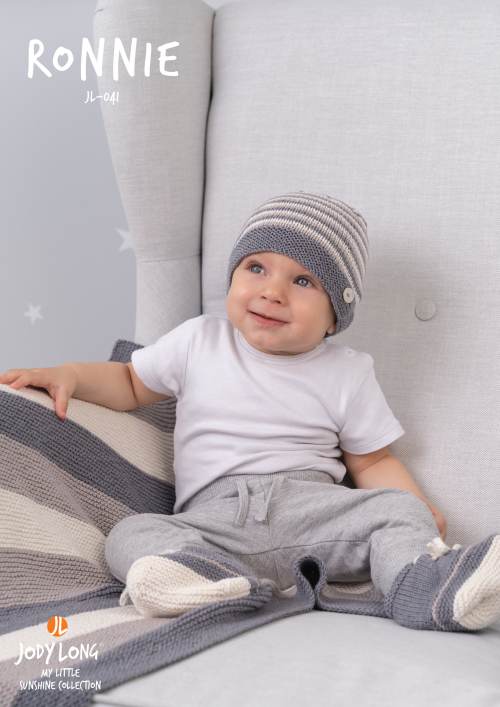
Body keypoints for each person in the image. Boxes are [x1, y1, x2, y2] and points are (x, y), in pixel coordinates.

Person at [1, 191, 499, 633]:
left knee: (399, 512)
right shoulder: (200, 340)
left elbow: (372, 460)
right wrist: (71, 374)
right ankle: (205, 579)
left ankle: (427, 589)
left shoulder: (348, 371)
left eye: (303, 280)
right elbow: (131, 383)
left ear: (335, 316)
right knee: (128, 534)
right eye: (256, 268)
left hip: (314, 514)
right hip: (216, 521)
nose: (272, 292)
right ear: (233, 276)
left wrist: (416, 506)